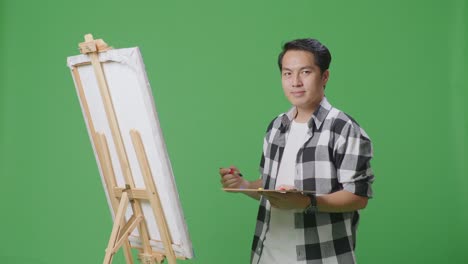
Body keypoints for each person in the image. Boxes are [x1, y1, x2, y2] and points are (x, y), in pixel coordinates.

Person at [219, 38, 375, 264]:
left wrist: (308, 202)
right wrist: (243, 185)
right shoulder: (276, 127)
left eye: (305, 72)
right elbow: (270, 189)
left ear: (324, 77)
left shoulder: (343, 129)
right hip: (267, 255)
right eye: (287, 73)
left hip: (321, 257)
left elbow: (358, 197)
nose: (295, 82)